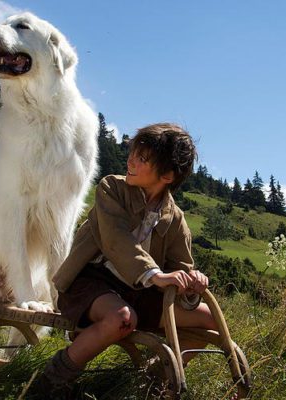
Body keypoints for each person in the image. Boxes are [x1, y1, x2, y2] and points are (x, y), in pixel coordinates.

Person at [35, 123, 217, 397]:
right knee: (122, 318)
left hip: (140, 291)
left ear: (167, 175)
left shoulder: (175, 219)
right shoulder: (112, 188)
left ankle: (156, 375)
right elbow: (116, 240)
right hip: (91, 282)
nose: (130, 160)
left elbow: (181, 266)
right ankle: (52, 380)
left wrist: (190, 282)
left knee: (209, 317)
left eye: (142, 159)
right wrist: (155, 274)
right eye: (133, 153)